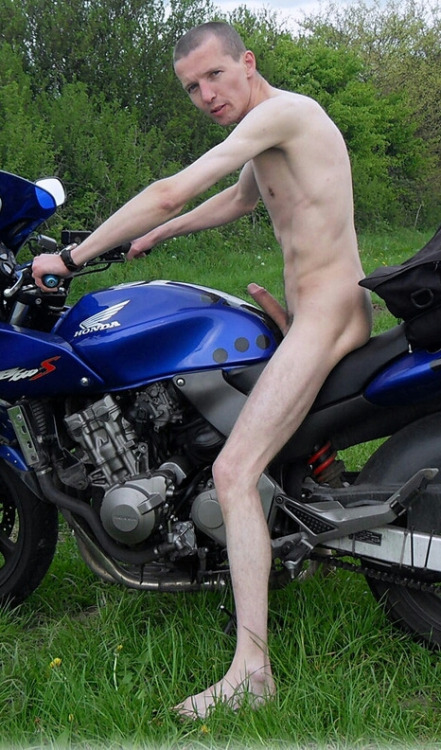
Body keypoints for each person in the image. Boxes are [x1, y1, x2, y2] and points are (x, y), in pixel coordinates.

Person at [32, 21, 372, 718]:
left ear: (247, 62)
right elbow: (240, 198)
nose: (205, 94)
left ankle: (253, 672)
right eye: (191, 87)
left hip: (325, 314)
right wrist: (160, 235)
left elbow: (171, 188)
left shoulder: (282, 113)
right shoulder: (274, 125)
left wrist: (69, 258)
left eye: (214, 75)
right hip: (321, 309)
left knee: (233, 472)